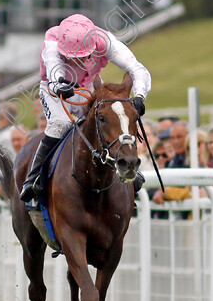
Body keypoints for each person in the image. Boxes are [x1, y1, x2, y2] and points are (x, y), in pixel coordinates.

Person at [19, 13, 151, 204]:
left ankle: (129, 168)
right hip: (55, 89)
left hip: (88, 87)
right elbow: (54, 73)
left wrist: (139, 96)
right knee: (60, 124)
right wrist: (59, 87)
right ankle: (34, 177)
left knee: (108, 120)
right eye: (71, 57)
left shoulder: (104, 40)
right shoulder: (52, 44)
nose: (78, 62)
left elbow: (137, 69)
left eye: (83, 57)